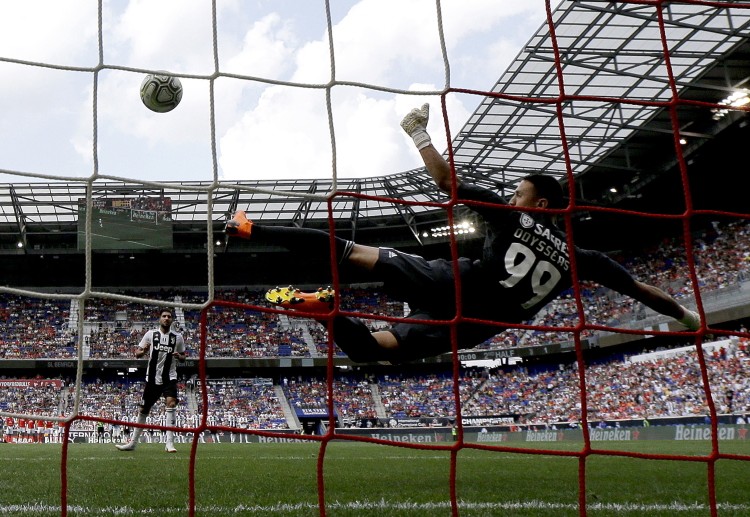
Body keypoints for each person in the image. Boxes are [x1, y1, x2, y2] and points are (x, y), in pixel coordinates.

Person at [224, 103, 700, 364]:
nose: (511, 202)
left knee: (348, 251)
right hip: (477, 326)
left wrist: (418, 133)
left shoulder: (517, 219)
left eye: (518, 196)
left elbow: (446, 182)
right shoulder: (585, 259)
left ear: (541, 206)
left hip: (450, 283)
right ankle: (329, 315)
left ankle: (251, 228)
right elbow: (643, 291)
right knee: (374, 352)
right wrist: (685, 315)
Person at [116, 308, 186, 453]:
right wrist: (144, 351)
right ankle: (133, 443)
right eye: (164, 316)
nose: (166, 318)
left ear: (172, 320)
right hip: (152, 378)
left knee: (171, 403)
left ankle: (169, 443)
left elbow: (183, 356)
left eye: (169, 316)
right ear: (160, 319)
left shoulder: (177, 337)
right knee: (144, 409)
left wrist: (179, 356)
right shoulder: (150, 334)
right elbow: (137, 354)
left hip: (170, 377)